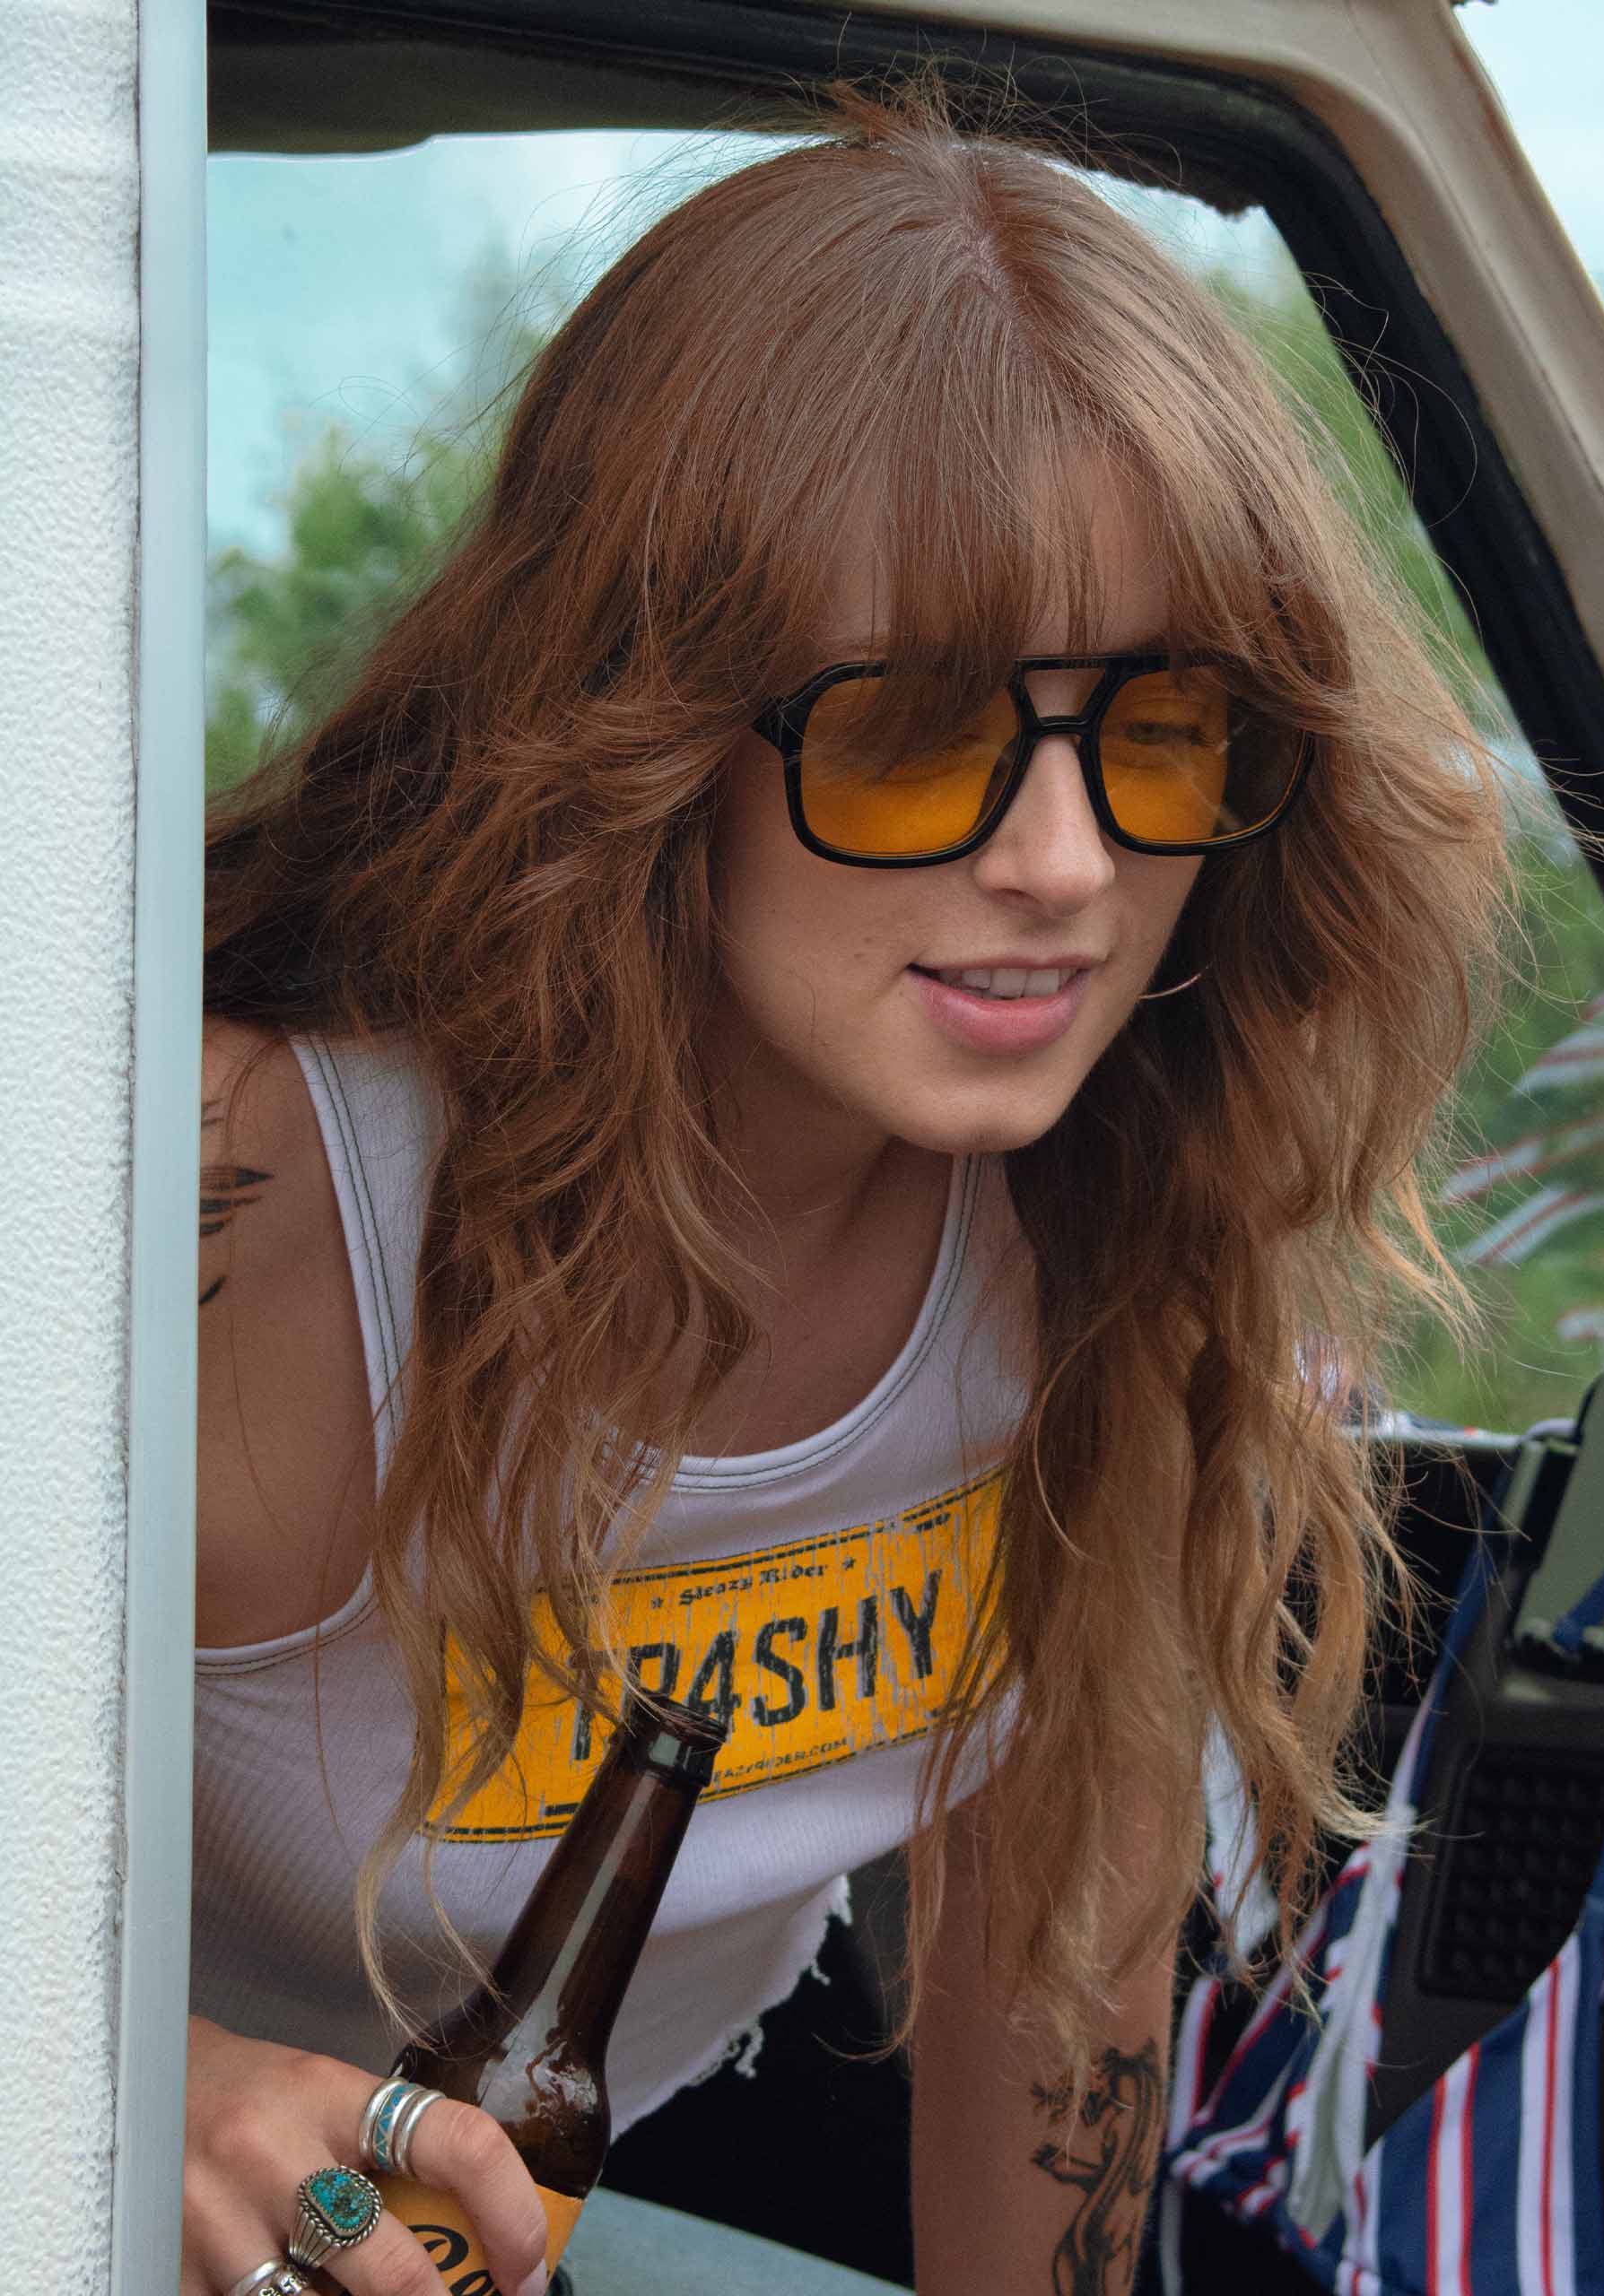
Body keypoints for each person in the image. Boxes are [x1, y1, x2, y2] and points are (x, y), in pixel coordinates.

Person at [186, 79, 1510, 2296]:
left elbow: (1049, 2017)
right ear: (641, 726)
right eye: (912, 732)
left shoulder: (1122, 1255)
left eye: (1165, 731)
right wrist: (169, 2084)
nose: (1071, 865)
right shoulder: (243, 1211)